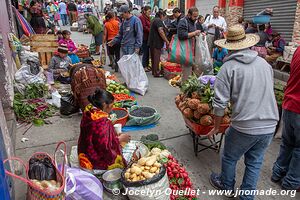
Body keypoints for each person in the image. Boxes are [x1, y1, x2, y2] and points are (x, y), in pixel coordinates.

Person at [208, 25, 279, 200]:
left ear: (228, 45)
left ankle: (227, 186)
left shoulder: (228, 68)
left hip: (245, 126)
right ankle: (246, 197)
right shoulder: (264, 63)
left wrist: (216, 127)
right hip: (270, 125)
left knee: (229, 157)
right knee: (254, 162)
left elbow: (219, 104)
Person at [78, 89, 131, 171]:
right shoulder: (101, 122)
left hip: (84, 150)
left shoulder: (89, 111)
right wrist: (119, 139)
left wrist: (111, 130)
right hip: (94, 158)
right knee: (119, 161)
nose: (112, 108)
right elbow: (104, 146)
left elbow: (96, 135)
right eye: (112, 105)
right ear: (104, 104)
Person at [272, 46, 300, 191]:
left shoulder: (298, 49)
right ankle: (291, 181)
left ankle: (277, 172)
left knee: (287, 143)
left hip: (289, 103)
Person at [177, 7, 201, 82]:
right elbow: (181, 35)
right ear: (189, 15)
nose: (196, 18)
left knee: (194, 71)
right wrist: (194, 33)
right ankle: (184, 91)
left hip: (192, 50)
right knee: (186, 72)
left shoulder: (193, 22)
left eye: (197, 16)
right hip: (185, 50)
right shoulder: (183, 21)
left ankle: (190, 90)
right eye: (194, 16)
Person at [148, 10, 169, 77]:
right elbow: (161, 31)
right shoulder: (158, 21)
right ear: (162, 15)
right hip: (156, 42)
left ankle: (154, 72)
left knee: (154, 58)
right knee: (156, 57)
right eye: (164, 17)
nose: (164, 19)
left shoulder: (154, 20)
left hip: (152, 42)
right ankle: (156, 72)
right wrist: (166, 40)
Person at [139, 6, 151, 71]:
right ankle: (144, 66)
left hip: (148, 37)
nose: (150, 13)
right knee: (145, 52)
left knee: (147, 52)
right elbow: (144, 27)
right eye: (149, 11)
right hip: (144, 37)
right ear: (145, 11)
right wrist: (150, 30)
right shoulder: (142, 17)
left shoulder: (147, 17)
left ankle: (146, 65)